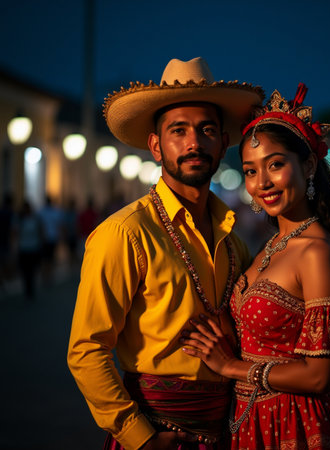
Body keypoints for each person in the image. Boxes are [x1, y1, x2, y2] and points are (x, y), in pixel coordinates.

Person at [67, 57, 264, 450]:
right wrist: (140, 438)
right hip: (155, 432)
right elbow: (87, 349)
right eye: (179, 131)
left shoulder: (234, 241)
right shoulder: (125, 233)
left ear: (224, 143)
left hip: (224, 430)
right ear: (156, 146)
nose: (194, 142)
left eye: (207, 129)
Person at [181, 84, 330, 449]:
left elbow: (319, 377)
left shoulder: (315, 250)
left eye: (276, 165)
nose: (262, 183)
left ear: (309, 165)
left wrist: (232, 367)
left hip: (293, 423)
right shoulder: (270, 244)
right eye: (250, 171)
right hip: (249, 419)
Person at [13, 200, 43, 299]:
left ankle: (31, 289)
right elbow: (15, 233)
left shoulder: (35, 219)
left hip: (33, 248)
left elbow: (40, 232)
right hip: (24, 248)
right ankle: (27, 289)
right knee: (25, 270)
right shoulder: (20, 220)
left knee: (32, 270)